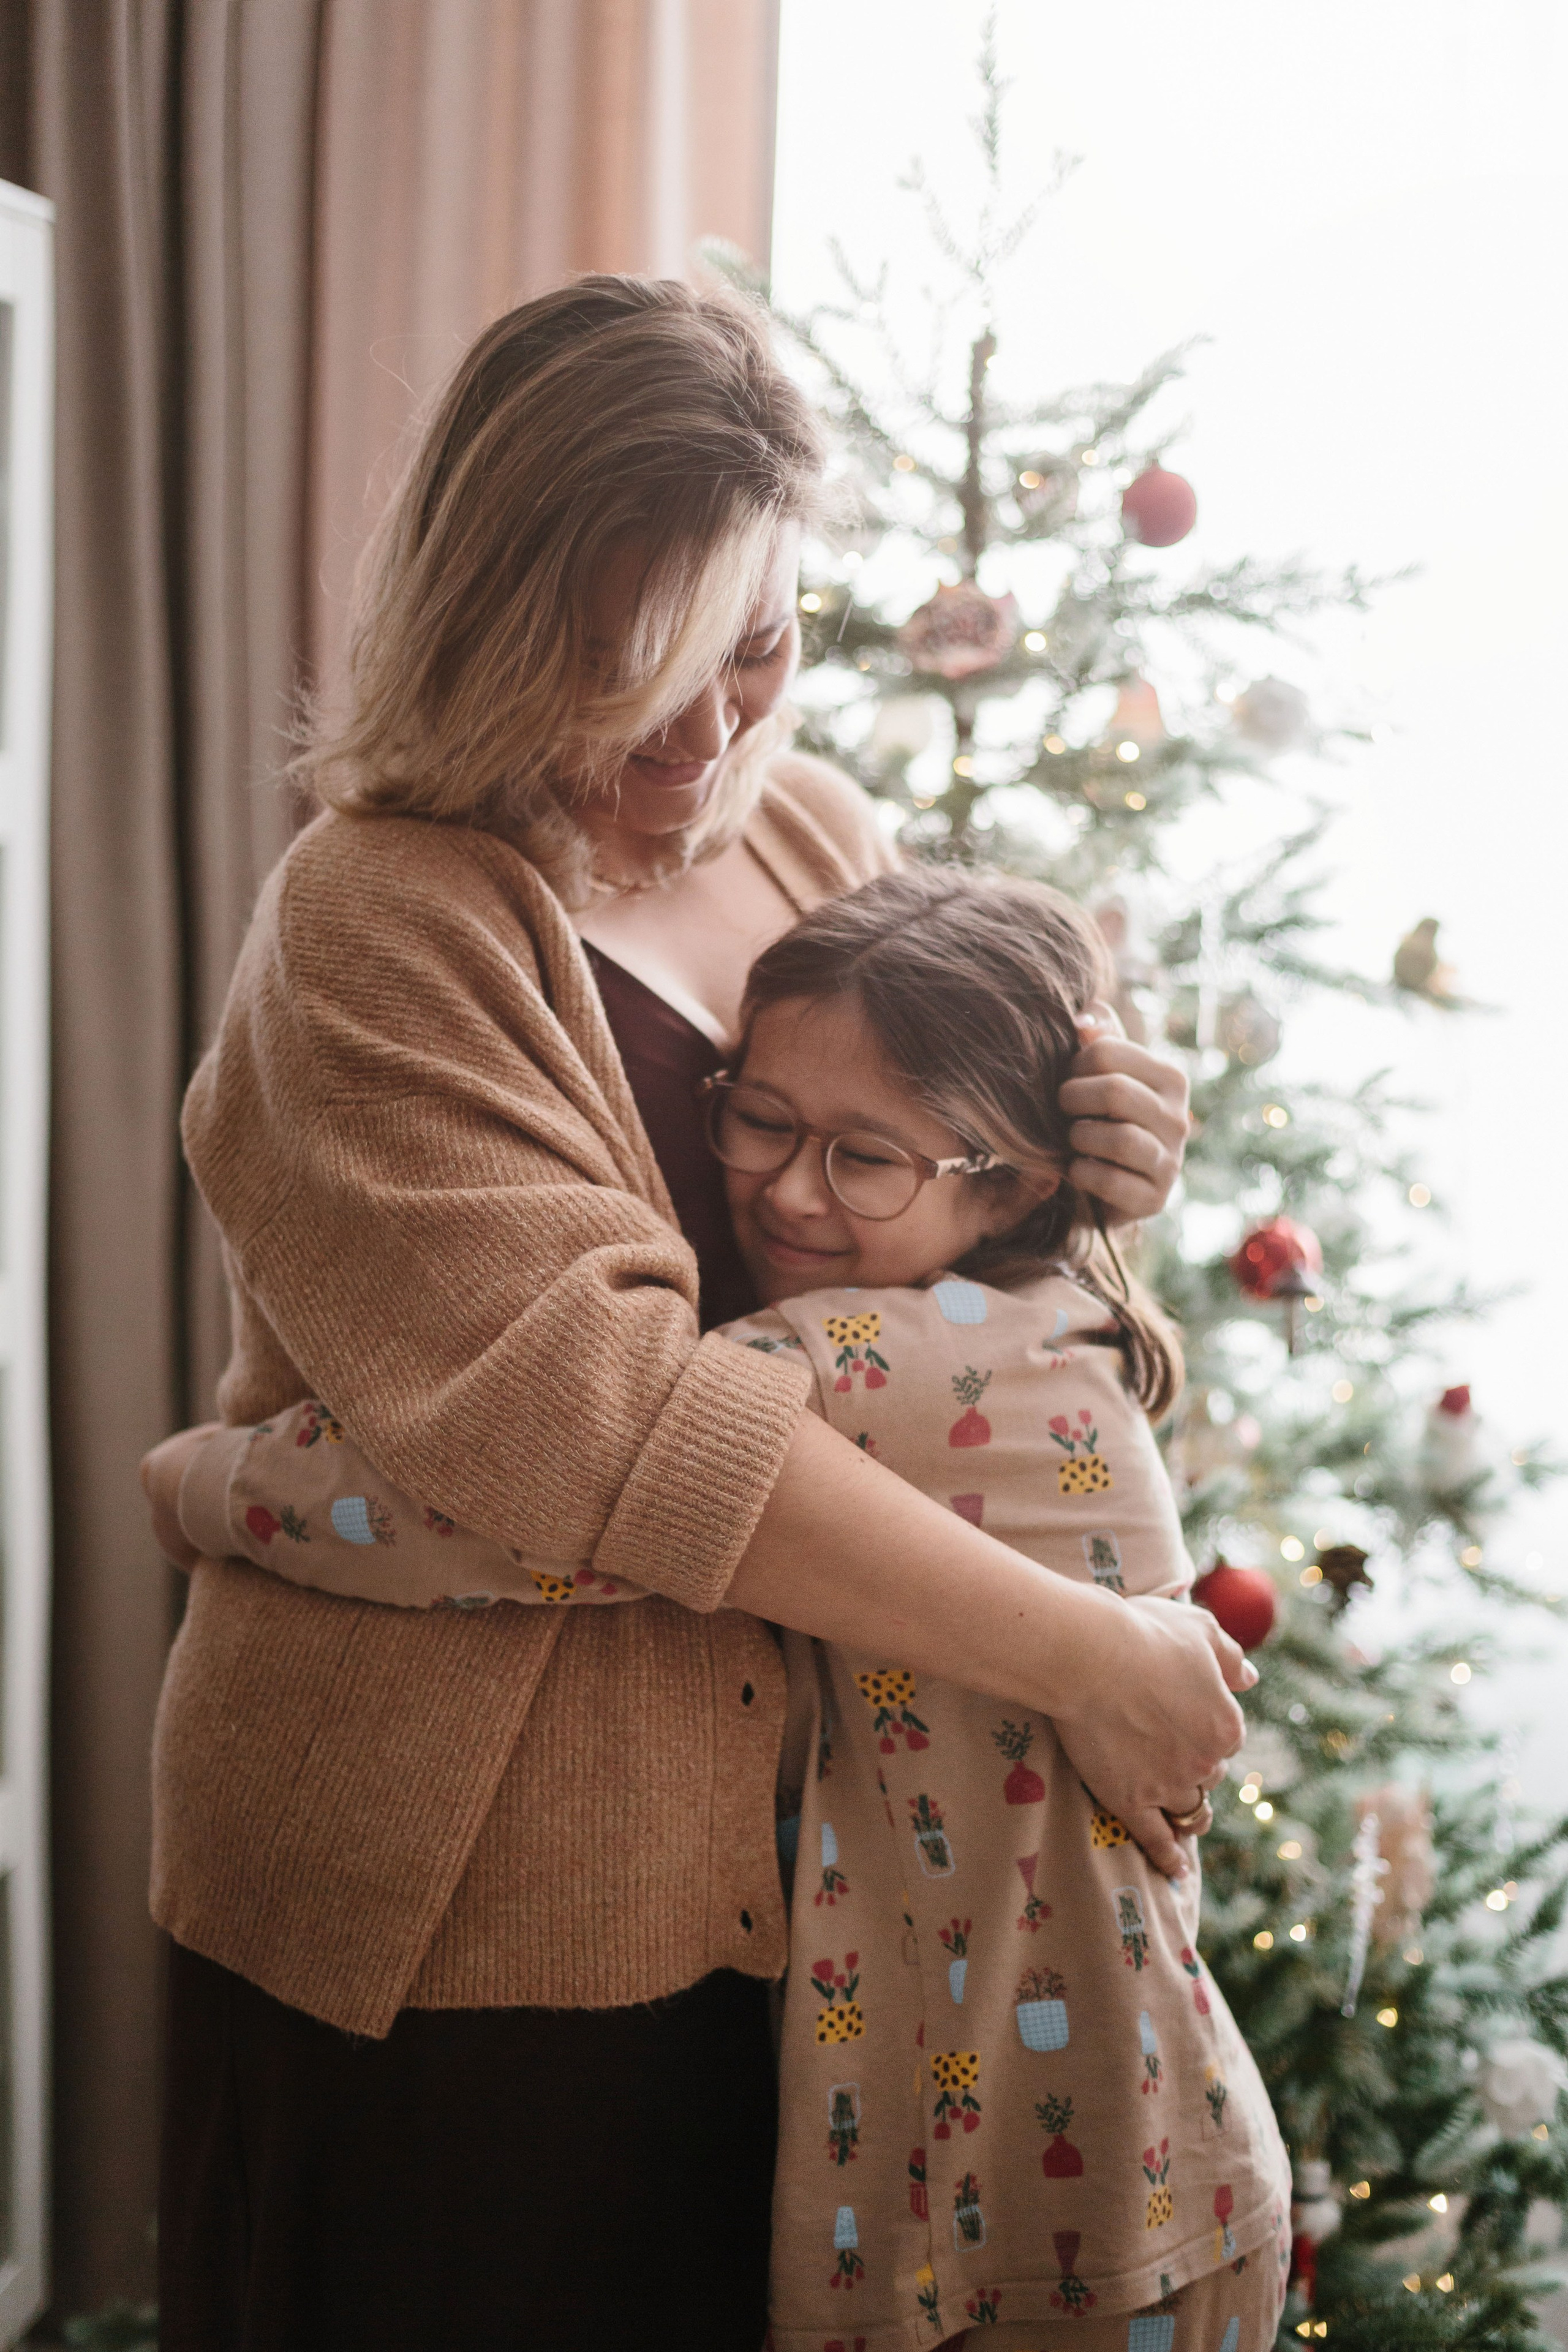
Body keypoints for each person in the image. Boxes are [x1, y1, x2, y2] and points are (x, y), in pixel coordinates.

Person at [141, 274, 1250, 2351]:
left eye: (760, 651)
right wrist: (1092, 1657)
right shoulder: (381, 919)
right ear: (490, 613)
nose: (713, 740)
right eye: (635, 666)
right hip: (468, 1923)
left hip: (824, 1892)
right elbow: (604, 1429)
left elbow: (943, 1245)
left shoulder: (810, 827)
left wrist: (1086, 1160)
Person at [163, 866, 1289, 2350]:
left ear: (1008, 1184)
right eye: (757, 1119)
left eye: (866, 1157)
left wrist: (201, 1479)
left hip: (1058, 2206)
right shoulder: (1030, 1314)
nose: (787, 1190)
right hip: (1109, 2161)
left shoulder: (878, 1363)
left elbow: (492, 1501)